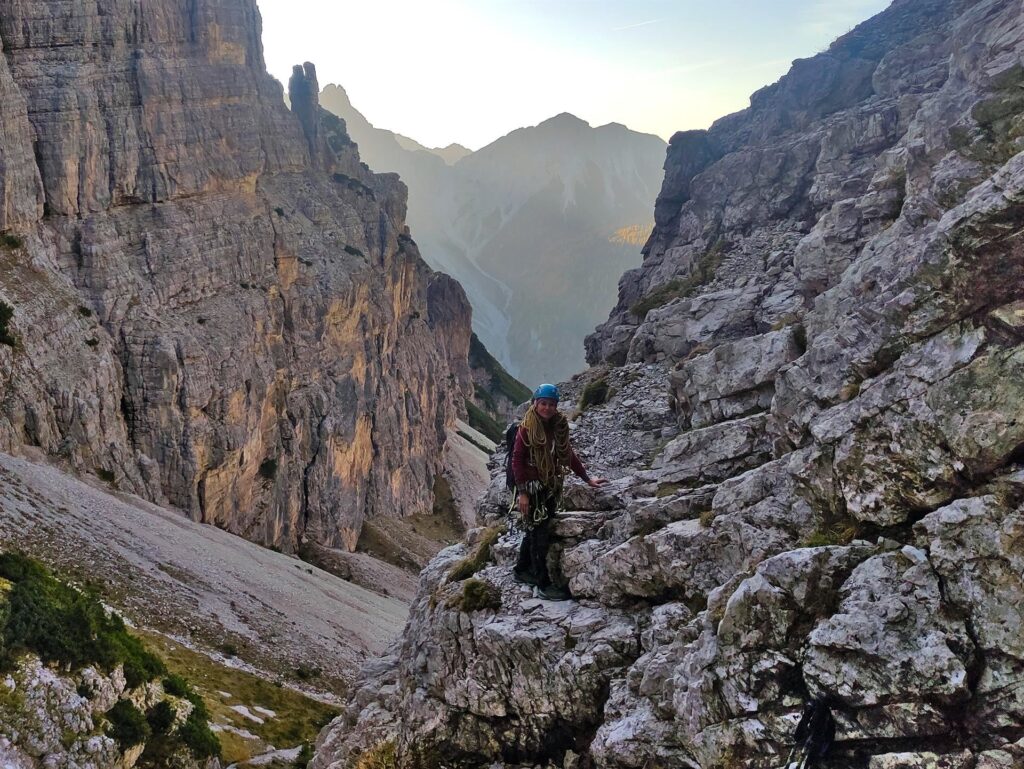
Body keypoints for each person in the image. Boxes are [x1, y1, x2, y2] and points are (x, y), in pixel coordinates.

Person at [511, 383, 606, 599]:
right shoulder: (526, 429)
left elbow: (567, 454)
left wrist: (587, 478)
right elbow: (517, 461)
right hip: (534, 488)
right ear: (535, 404)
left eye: (551, 404)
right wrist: (523, 493)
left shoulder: (557, 427)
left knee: (535, 529)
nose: (547, 408)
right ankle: (542, 583)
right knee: (540, 534)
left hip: (549, 486)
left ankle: (521, 570)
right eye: (543, 403)